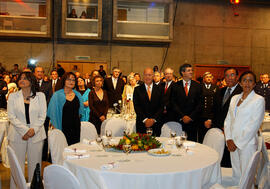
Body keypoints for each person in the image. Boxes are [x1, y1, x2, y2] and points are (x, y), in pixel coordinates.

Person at [224, 71, 265, 185]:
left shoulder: (258, 100)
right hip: (232, 142)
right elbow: (228, 120)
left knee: (246, 177)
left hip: (246, 144)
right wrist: (229, 139)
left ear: (254, 84)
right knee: (236, 175)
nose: (247, 83)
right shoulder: (234, 98)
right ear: (240, 83)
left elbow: (254, 125)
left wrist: (237, 142)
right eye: (244, 80)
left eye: (250, 80)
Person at [7, 72, 47, 188]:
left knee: (35, 166)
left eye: (25, 78)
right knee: (16, 166)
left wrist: (32, 130)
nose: (21, 80)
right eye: (20, 78)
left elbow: (42, 115)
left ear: (31, 81)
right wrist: (25, 131)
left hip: (36, 134)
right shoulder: (13, 96)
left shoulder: (40, 96)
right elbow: (11, 116)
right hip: (17, 134)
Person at [47, 72, 83, 145]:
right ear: (64, 81)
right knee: (62, 149)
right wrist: (56, 129)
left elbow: (80, 112)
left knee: (74, 149)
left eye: (73, 80)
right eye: (68, 79)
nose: (71, 82)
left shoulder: (78, 95)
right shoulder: (57, 95)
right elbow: (52, 113)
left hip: (75, 127)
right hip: (62, 126)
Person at [217, 67, 242, 167]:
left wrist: (228, 128)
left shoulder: (241, 92)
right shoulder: (221, 91)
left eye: (232, 75)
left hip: (233, 132)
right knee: (222, 157)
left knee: (232, 160)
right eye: (226, 76)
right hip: (220, 129)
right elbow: (218, 110)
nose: (229, 78)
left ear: (237, 77)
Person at [171, 64, 202, 141]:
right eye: (189, 70)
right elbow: (173, 103)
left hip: (193, 121)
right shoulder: (175, 86)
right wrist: (182, 116)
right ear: (183, 72)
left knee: (191, 145)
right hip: (179, 120)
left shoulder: (198, 86)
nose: (191, 72)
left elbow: (200, 104)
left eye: (192, 70)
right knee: (178, 143)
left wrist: (190, 117)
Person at [133, 68, 163, 136]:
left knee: (156, 145)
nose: (147, 77)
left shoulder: (160, 89)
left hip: (156, 124)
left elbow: (161, 106)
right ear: (143, 76)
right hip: (142, 124)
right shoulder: (137, 89)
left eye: (149, 75)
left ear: (153, 76)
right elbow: (136, 106)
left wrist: (153, 120)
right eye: (145, 75)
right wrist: (145, 120)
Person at [198, 72, 221, 143]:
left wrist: (210, 119)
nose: (208, 78)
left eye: (210, 77)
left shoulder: (216, 88)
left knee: (210, 138)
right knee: (201, 138)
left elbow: (217, 104)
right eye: (207, 77)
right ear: (204, 78)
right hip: (201, 117)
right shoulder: (199, 87)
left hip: (212, 117)